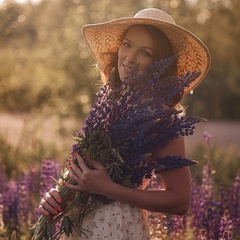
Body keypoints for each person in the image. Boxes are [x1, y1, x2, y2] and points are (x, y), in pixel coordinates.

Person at [38, 8, 210, 239]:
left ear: (160, 63)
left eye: (145, 52)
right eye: (127, 45)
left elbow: (180, 201)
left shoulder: (162, 119)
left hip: (115, 226)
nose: (129, 57)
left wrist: (108, 189)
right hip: (79, 221)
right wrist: (58, 195)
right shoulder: (111, 103)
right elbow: (86, 171)